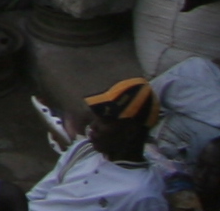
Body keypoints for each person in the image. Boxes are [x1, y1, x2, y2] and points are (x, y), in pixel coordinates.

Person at [34, 83, 171, 211]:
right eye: (96, 118)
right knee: (13, 194)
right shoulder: (85, 149)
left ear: (130, 132)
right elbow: (37, 195)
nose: (93, 126)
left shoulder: (142, 194)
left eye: (104, 121)